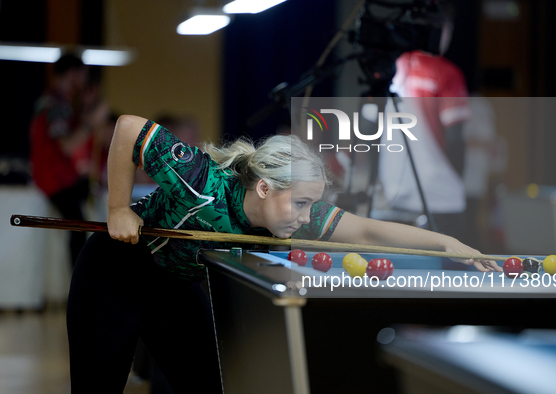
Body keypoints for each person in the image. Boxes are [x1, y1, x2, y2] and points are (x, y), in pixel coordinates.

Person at [67, 115, 501, 393]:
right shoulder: (198, 179)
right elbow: (127, 129)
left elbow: (366, 229)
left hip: (175, 285)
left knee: (214, 386)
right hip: (115, 272)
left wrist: (445, 242)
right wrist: (119, 208)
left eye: (311, 205)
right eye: (300, 203)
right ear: (264, 187)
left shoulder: (290, 214)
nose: (305, 216)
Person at [375, 7, 470, 243]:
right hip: (440, 194)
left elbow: (370, 130)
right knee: (448, 273)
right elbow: (456, 137)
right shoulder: (447, 73)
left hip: (393, 193)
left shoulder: (392, 68)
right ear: (443, 31)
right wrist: (459, 178)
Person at [29, 53, 108, 267]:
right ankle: (80, 281)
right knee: (79, 228)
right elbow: (67, 145)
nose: (82, 82)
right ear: (72, 74)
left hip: (61, 177)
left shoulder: (57, 102)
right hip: (54, 180)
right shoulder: (55, 104)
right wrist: (92, 122)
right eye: (81, 76)